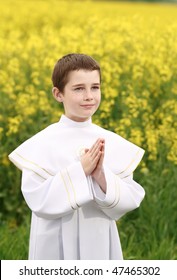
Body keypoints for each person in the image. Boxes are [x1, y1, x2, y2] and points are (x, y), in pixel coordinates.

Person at [9, 53, 145, 260]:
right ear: (58, 93)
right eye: (79, 88)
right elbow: (38, 201)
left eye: (95, 87)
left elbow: (129, 200)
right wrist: (79, 170)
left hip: (100, 237)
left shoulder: (111, 141)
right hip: (54, 242)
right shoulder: (43, 143)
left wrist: (101, 176)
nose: (89, 96)